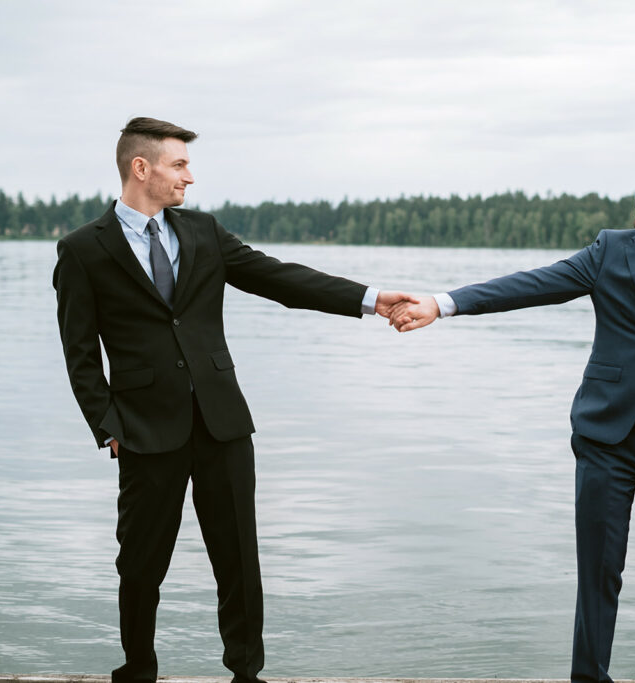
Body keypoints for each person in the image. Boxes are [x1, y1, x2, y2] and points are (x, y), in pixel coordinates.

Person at [53, 116, 415, 683]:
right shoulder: (82, 250)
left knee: (239, 557)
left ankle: (246, 674)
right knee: (141, 562)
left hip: (223, 421)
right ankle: (139, 670)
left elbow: (279, 278)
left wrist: (370, 299)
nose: (189, 177)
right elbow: (79, 352)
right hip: (144, 429)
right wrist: (108, 426)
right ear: (140, 168)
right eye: (179, 164)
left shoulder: (202, 231)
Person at [391, 148, 635, 683]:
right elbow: (532, 284)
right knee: (599, 575)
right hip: (605, 440)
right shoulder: (611, 251)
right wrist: (443, 303)